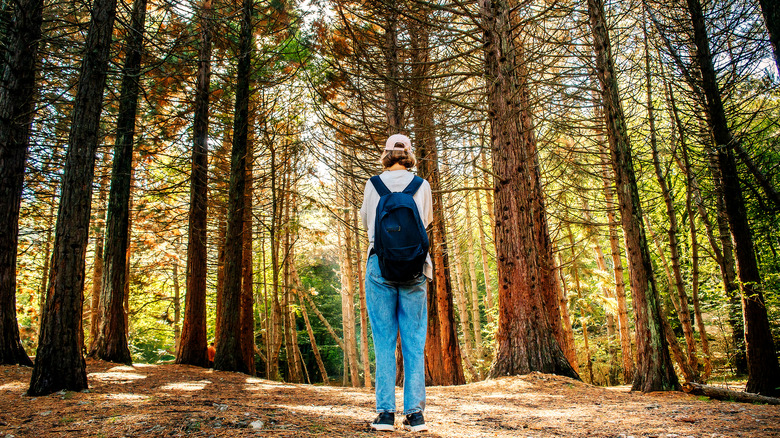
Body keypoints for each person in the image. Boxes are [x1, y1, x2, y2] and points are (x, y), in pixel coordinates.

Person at [360, 134, 432, 433]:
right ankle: (415, 416)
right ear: (410, 155)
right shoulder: (422, 185)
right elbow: (424, 223)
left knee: (384, 343)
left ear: (387, 154)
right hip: (415, 268)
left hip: (380, 266)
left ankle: (385, 415)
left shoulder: (373, 185)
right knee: (415, 345)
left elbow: (367, 224)